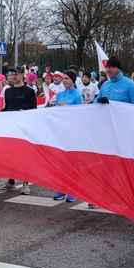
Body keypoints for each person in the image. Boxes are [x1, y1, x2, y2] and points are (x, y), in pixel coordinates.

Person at [0, 67, 37, 195]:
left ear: (22, 75)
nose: (13, 76)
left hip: (24, 129)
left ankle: (25, 183)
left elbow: (33, 110)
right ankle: (11, 181)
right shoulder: (8, 91)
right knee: (10, 155)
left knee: (24, 157)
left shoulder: (29, 91)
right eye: (12, 74)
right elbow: (7, 108)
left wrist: (23, 113)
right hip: (11, 128)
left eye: (16, 74)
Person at [52, 70, 82, 203]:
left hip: (73, 133)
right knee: (61, 163)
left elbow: (79, 115)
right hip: (61, 133)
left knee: (72, 163)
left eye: (67, 79)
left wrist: (67, 109)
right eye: (63, 78)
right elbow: (55, 112)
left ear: (73, 81)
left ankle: (73, 191)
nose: (64, 81)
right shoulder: (59, 95)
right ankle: (62, 189)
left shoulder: (78, 95)